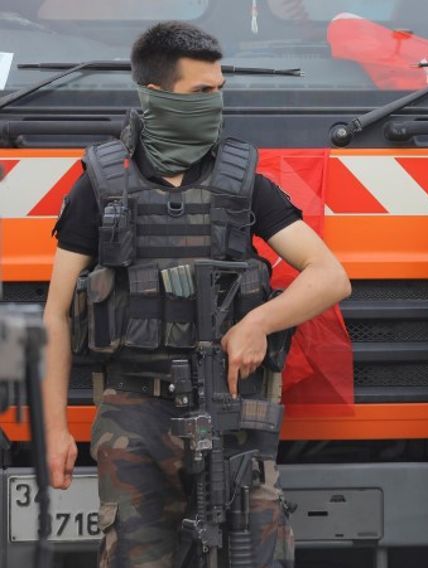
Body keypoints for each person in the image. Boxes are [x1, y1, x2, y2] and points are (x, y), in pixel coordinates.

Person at [41, 21, 351, 567]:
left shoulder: (241, 178)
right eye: (200, 93)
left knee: (253, 553)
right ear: (155, 96)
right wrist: (54, 432)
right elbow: (56, 315)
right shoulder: (100, 182)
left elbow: (329, 276)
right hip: (133, 416)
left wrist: (258, 323)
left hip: (229, 408)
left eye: (220, 91)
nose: (215, 104)